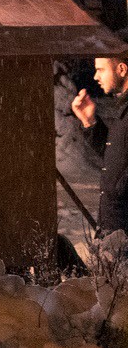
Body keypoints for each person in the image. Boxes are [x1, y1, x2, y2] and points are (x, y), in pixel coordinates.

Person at [72, 55, 128, 236]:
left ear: (121, 69)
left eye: (101, 69)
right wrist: (89, 122)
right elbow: (114, 155)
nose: (96, 77)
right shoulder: (123, 109)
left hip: (122, 226)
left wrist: (119, 191)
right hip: (114, 225)